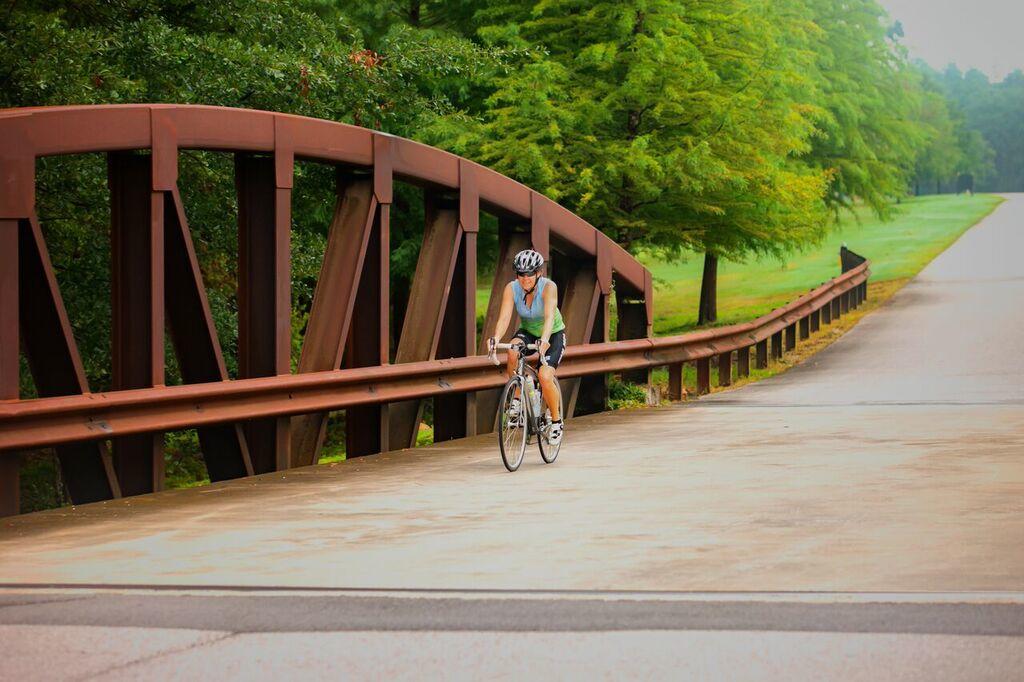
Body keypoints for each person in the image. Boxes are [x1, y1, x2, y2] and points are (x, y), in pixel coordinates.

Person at [488, 249, 566, 445]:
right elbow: (505, 317)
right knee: (513, 350)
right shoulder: (511, 288)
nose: (525, 279)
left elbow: (549, 317)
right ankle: (516, 400)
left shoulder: (549, 287)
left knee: (544, 376)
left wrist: (545, 339)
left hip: (553, 333)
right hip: (528, 331)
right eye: (521, 274)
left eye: (529, 273)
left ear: (539, 273)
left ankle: (556, 422)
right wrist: (496, 337)